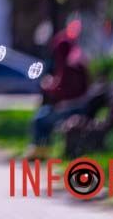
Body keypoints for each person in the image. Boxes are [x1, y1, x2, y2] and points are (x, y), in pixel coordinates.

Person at [27, 23, 94, 157]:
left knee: (40, 119)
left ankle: (41, 150)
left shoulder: (70, 66)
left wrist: (49, 87)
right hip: (77, 106)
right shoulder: (74, 61)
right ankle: (41, 148)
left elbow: (65, 89)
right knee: (43, 112)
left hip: (75, 108)